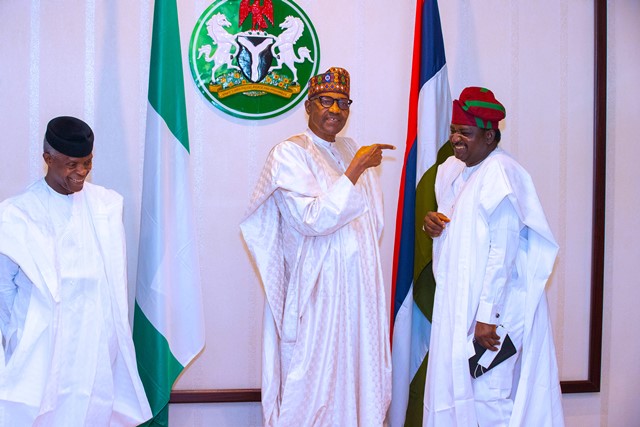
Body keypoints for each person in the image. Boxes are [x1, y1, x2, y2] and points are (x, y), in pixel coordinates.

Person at [240, 67, 395, 426]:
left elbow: (373, 223)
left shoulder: (352, 149)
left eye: (343, 103)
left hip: (358, 292)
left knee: (359, 380)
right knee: (312, 389)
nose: (335, 110)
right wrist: (354, 171)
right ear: (309, 105)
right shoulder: (290, 153)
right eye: (327, 101)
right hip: (316, 293)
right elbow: (311, 219)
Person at [422, 87, 564, 426]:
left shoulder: (501, 173)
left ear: (489, 135)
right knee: (457, 395)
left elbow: (503, 250)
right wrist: (435, 226)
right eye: (453, 130)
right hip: (460, 309)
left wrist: (489, 316)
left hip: (494, 316)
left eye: (465, 133)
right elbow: (461, 229)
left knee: (488, 398)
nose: (456, 138)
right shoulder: (452, 171)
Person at [0, 116, 151, 426]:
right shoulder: (16, 215)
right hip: (42, 351)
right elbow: (4, 291)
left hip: (95, 350)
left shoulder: (106, 207)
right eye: (71, 164)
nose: (81, 172)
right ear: (47, 159)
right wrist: (20, 336)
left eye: (87, 162)